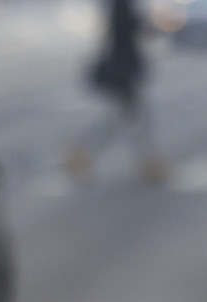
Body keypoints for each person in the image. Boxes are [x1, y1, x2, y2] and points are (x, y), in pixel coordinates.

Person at [69, 0, 167, 184]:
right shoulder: (122, 7)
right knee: (135, 120)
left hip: (123, 71)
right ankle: (150, 164)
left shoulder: (121, 6)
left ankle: (80, 154)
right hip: (123, 73)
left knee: (125, 119)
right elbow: (132, 33)